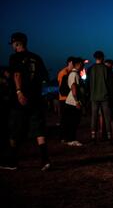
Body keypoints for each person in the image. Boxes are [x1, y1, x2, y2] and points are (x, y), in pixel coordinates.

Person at [0, 32, 50, 171]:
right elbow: (44, 77)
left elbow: (17, 74)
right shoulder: (36, 57)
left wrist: (19, 91)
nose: (12, 47)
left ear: (17, 43)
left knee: (15, 129)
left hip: (21, 99)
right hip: (36, 97)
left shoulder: (15, 57)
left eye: (13, 44)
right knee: (39, 130)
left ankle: (11, 161)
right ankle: (45, 160)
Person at [88, 50, 113, 143]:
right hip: (105, 96)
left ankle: (93, 136)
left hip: (94, 96)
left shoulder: (90, 69)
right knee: (107, 117)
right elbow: (110, 85)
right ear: (102, 57)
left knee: (94, 117)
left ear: (95, 58)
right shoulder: (107, 69)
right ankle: (109, 135)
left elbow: (88, 84)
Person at [64, 57, 84, 146]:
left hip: (71, 101)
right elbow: (73, 88)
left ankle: (70, 139)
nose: (83, 66)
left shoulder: (74, 73)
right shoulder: (74, 74)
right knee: (73, 121)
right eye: (82, 64)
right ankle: (72, 140)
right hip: (72, 102)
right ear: (79, 64)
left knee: (72, 121)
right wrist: (77, 102)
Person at [57, 56, 74, 142]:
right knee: (64, 119)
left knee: (68, 119)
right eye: (73, 62)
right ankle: (62, 137)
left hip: (67, 98)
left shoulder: (69, 72)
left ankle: (66, 136)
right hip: (63, 99)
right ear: (70, 62)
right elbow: (61, 87)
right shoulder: (63, 72)